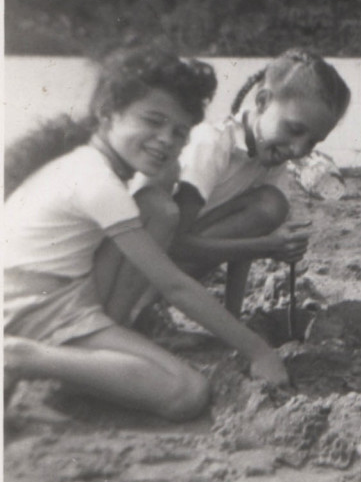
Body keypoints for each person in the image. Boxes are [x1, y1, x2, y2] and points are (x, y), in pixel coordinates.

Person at [4, 46, 289, 421]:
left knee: (157, 207)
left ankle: (86, 356)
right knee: (186, 392)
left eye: (179, 132)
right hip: (33, 307)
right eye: (153, 121)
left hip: (54, 293)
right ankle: (23, 356)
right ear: (107, 112)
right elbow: (173, 284)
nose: (165, 139)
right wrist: (258, 351)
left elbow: (159, 206)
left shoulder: (87, 164)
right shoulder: (98, 182)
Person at [168, 48, 351, 317]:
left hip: (174, 268)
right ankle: (145, 310)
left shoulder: (269, 159)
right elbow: (174, 243)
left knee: (273, 204)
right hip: (139, 266)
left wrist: (233, 316)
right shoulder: (213, 143)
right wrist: (268, 246)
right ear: (263, 101)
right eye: (295, 129)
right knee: (270, 205)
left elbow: (247, 237)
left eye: (312, 141)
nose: (299, 149)